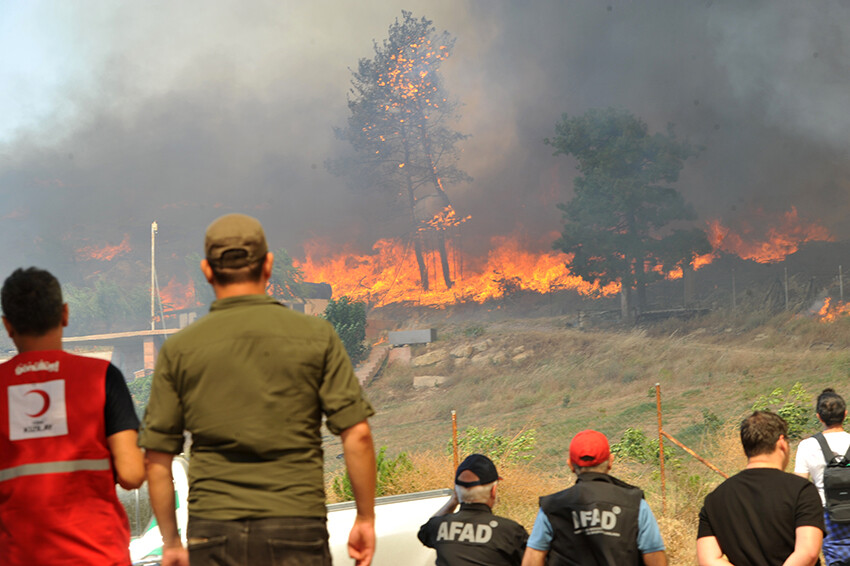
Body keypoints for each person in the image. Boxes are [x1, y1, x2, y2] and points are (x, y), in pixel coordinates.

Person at [140, 213, 377, 566]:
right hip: (296, 526)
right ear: (267, 265)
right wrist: (365, 518)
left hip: (213, 532)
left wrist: (172, 543)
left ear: (207, 271)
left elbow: (157, 460)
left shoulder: (180, 349)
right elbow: (357, 435)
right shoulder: (315, 335)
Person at [0, 267, 144, 565]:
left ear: (8, 326)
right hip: (98, 554)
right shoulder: (103, 377)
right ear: (64, 314)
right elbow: (131, 474)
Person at [697, 410, 824, 566]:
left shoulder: (715, 499)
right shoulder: (802, 490)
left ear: (745, 448)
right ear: (782, 443)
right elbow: (808, 553)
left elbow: (708, 559)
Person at [522, 429, 666, 566]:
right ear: (610, 462)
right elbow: (655, 557)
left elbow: (532, 559)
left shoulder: (552, 506)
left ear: (571, 465)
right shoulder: (635, 504)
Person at [418, 453, 529, 565]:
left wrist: (453, 502)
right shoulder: (510, 531)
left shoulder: (439, 526)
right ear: (493, 491)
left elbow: (425, 533)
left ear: (457, 491)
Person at [795, 388, 850, 565]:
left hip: (827, 515)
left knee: (834, 560)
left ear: (819, 417)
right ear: (845, 414)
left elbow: (799, 487)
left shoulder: (807, 446)